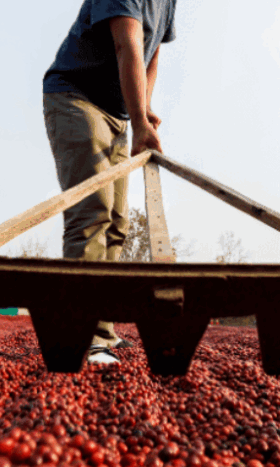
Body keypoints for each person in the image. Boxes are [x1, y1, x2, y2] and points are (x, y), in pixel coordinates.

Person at [43, 0, 177, 365]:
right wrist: (138, 121)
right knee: (92, 213)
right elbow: (127, 43)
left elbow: (151, 55)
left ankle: (102, 330)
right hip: (77, 98)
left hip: (118, 111)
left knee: (117, 223)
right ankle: (82, 335)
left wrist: (143, 110)